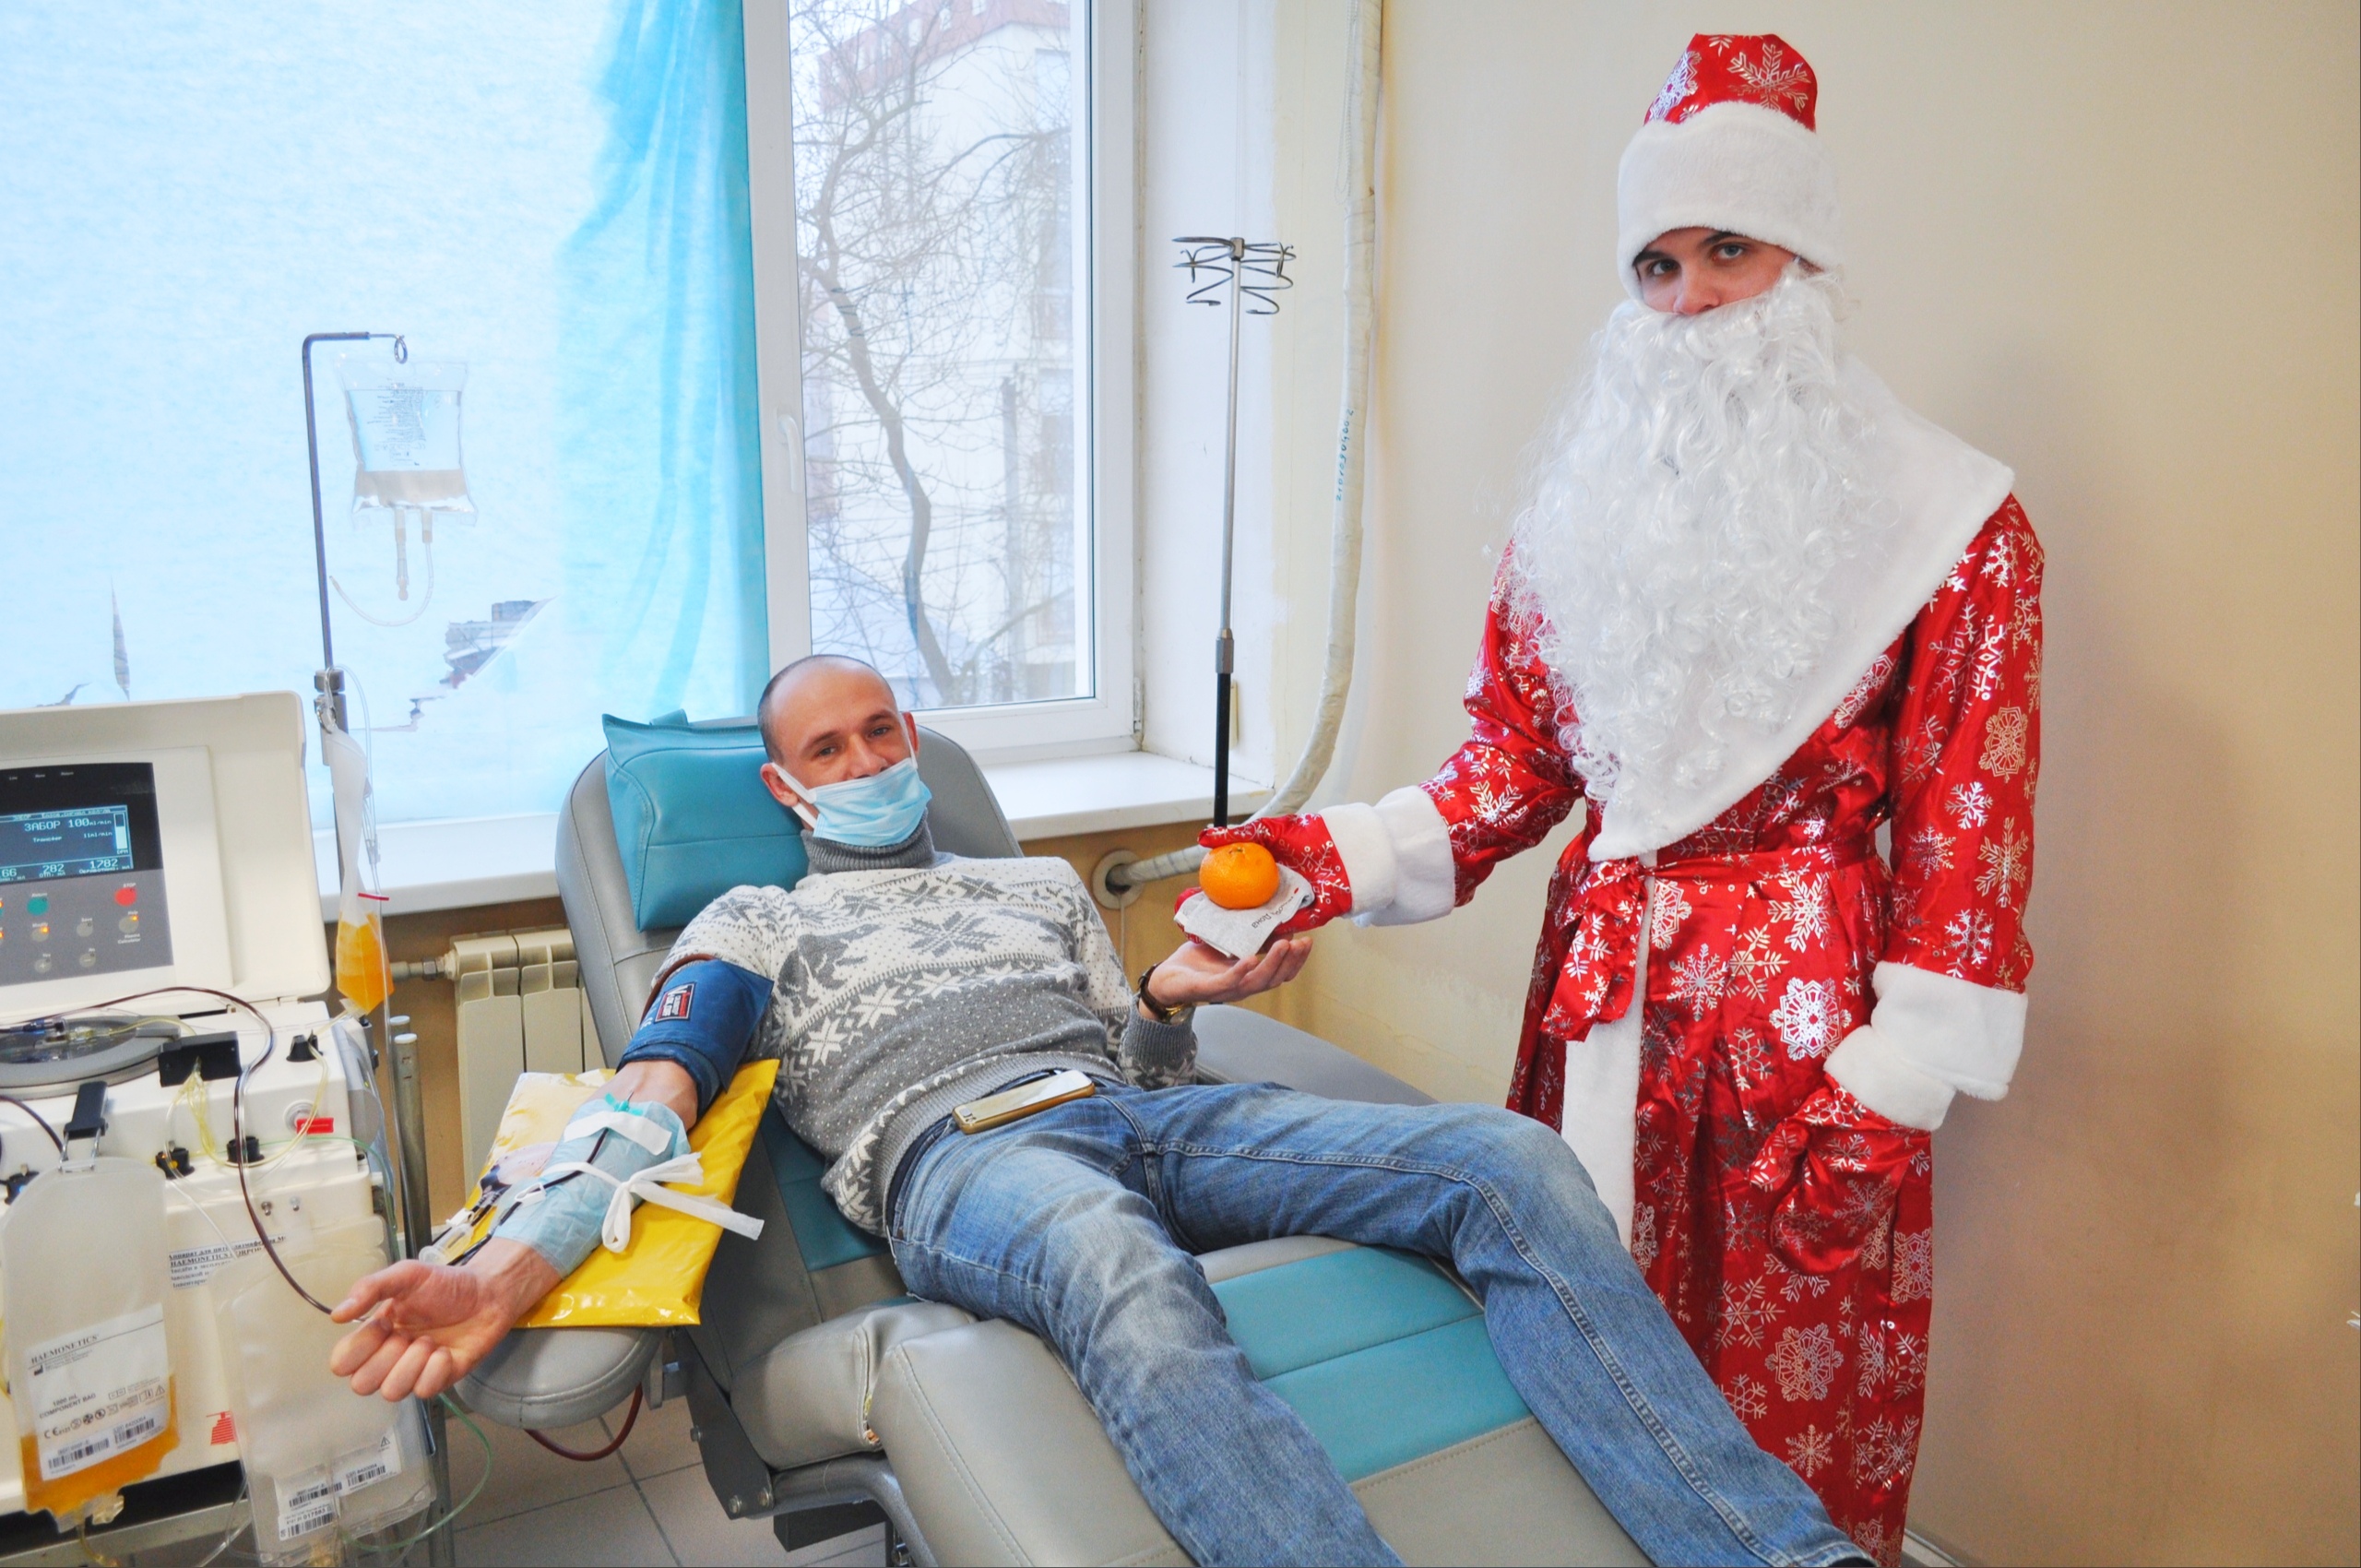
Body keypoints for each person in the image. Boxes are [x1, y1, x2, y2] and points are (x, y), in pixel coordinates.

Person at [328, 653, 1866, 1568]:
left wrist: (1170, 1003)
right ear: (786, 790)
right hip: (961, 1158)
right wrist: (510, 1268)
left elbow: (1142, 1080)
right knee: (1118, 1264)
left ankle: (1772, 1551)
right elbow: (651, 1100)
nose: (867, 760)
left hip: (1136, 1118)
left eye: (883, 731)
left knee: (1503, 1159)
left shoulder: (1038, 883)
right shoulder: (752, 919)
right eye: (826, 749)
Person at [1204, 35, 2041, 1566]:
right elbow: (1513, 767)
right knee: (1572, 1374)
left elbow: (1968, 840)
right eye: (1656, 263)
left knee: (1774, 1418)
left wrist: (1896, 1083)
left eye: (1729, 249)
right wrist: (1320, 860)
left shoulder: (1956, 523)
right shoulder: (1577, 521)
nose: (1689, 300)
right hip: (1598, 1004)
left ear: (1806, 261)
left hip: (1803, 1043)